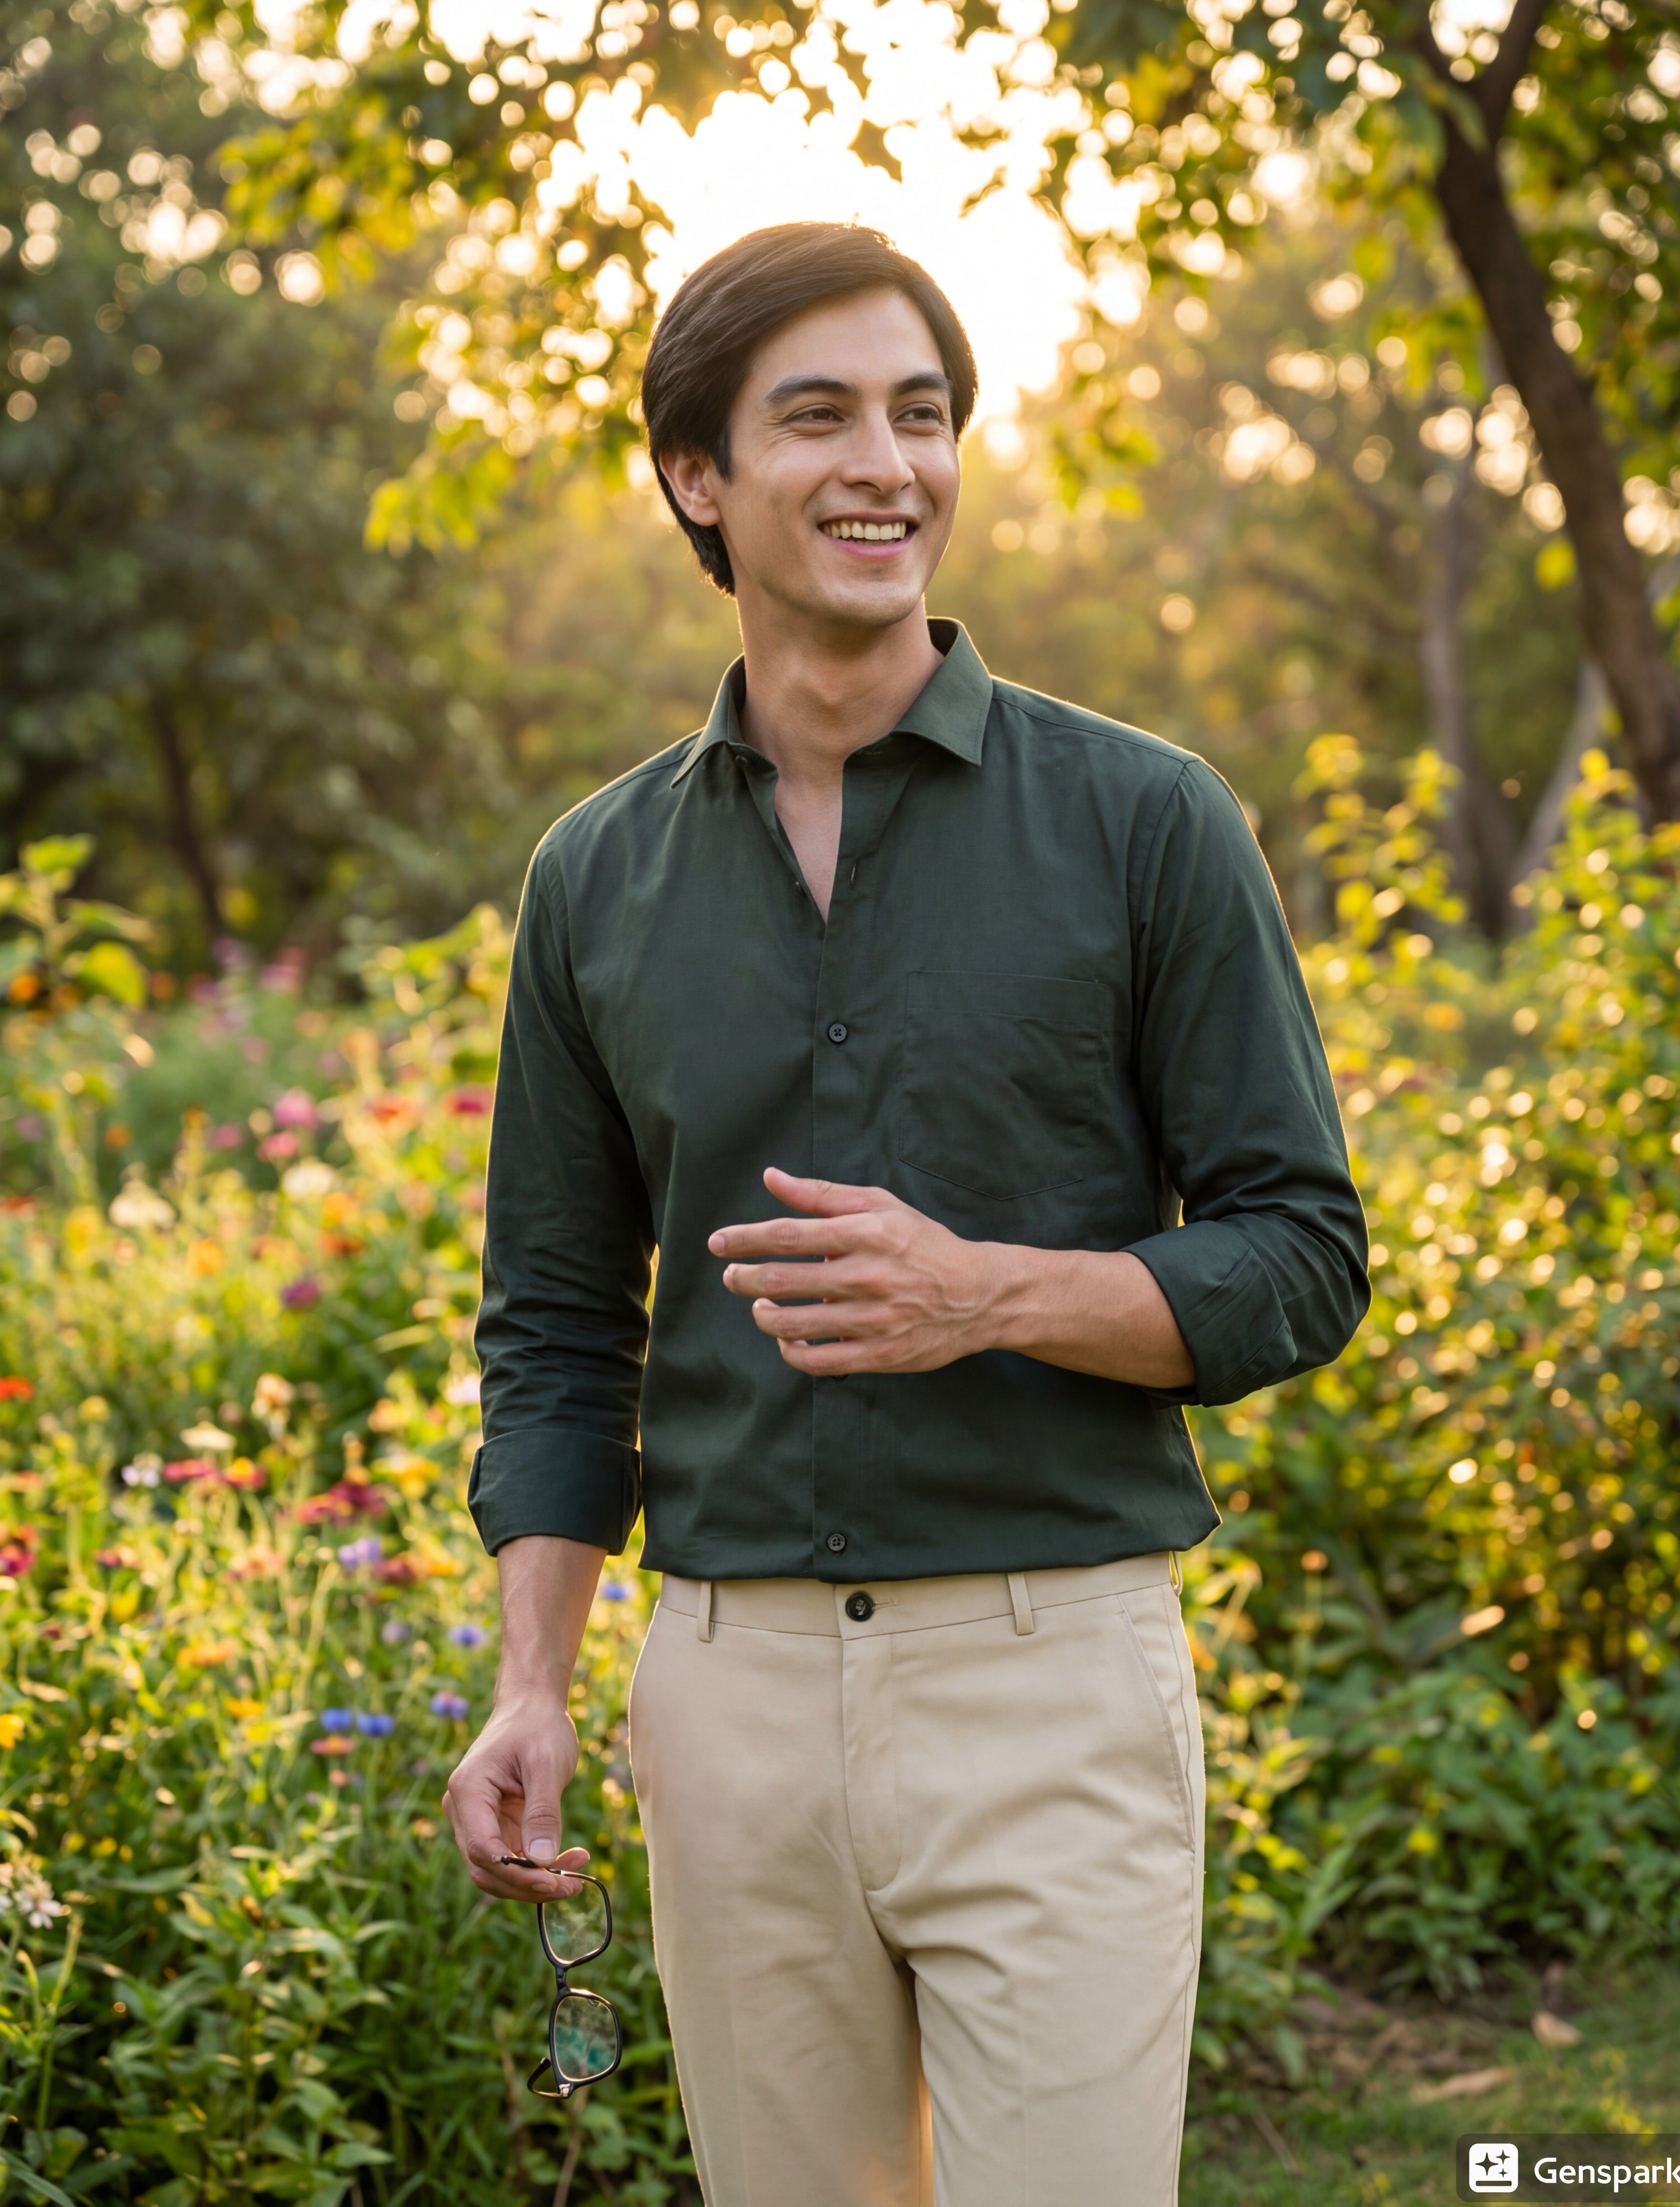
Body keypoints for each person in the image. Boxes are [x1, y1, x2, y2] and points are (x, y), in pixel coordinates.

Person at [443, 221, 1368, 2207]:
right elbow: (552, 1321)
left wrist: (990, 1293)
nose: (889, 462)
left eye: (921, 413)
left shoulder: (1145, 822)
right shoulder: (589, 883)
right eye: (819, 416)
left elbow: (1301, 1254)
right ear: (697, 476)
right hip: (726, 1702)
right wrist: (535, 1679)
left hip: (1047, 1675)